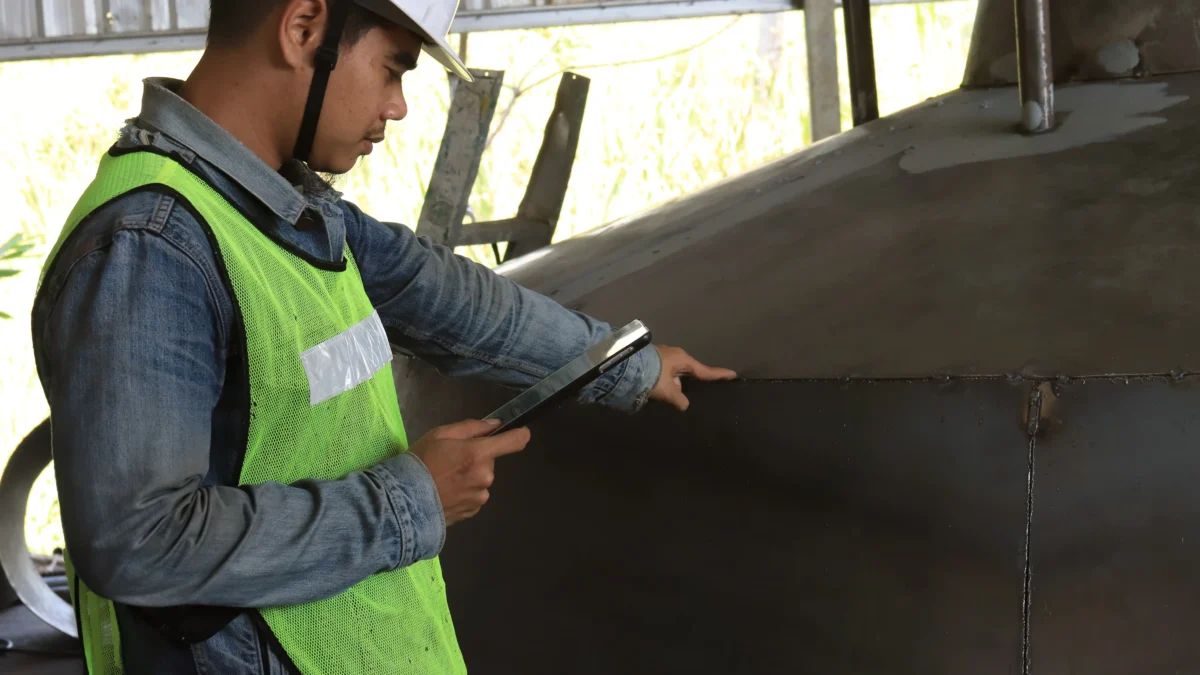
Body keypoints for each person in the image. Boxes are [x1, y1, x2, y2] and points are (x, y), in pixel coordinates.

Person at [29, 0, 735, 673]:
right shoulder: (150, 247)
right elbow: (142, 542)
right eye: (393, 69)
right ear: (304, 28)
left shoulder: (280, 207)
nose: (397, 106)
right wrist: (413, 500)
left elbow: (444, 295)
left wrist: (627, 364)